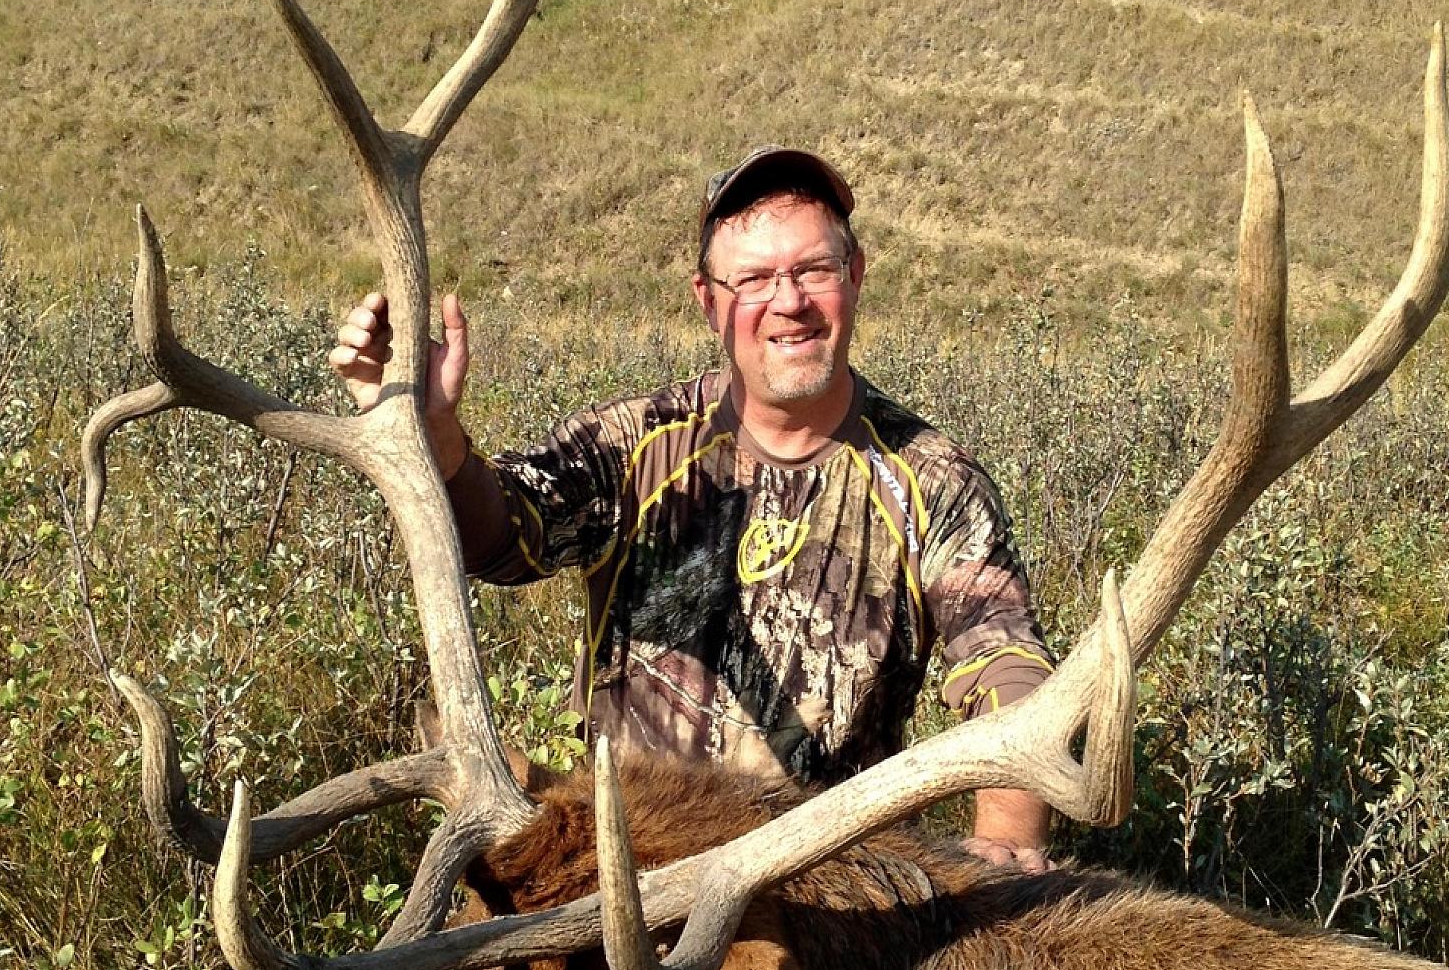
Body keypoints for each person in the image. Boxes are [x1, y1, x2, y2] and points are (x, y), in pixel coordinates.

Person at [330, 146, 1056, 870]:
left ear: (856, 276)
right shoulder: (636, 443)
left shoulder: (932, 482)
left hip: (830, 902)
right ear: (708, 301)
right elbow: (503, 534)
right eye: (754, 280)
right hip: (634, 874)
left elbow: (1007, 662)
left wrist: (1007, 831)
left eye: (814, 270)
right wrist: (435, 434)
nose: (790, 301)